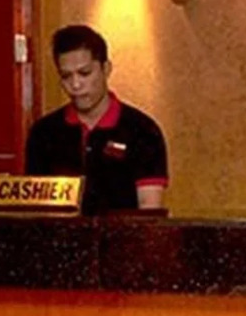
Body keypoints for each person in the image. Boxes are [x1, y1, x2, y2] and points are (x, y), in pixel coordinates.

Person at [25, 25, 168, 215]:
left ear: (106, 69)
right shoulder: (44, 133)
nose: (75, 85)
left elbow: (149, 212)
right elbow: (35, 209)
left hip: (123, 233)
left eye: (84, 73)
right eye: (66, 76)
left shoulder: (142, 131)